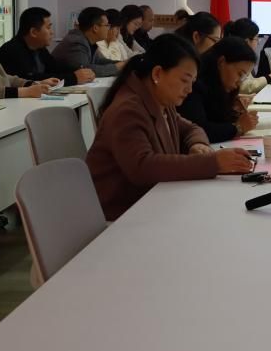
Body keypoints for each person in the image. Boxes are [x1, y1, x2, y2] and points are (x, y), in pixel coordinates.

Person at [86, 35, 254, 220]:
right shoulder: (127, 110)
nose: (189, 90)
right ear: (157, 74)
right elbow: (143, 167)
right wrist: (213, 163)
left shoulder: (160, 101)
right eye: (184, 80)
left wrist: (197, 144)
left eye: (192, 82)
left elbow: (191, 128)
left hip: (152, 203)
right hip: (121, 216)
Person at [178, 38, 262, 142]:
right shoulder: (195, 86)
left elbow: (217, 119)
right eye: (240, 74)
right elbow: (199, 130)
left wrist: (234, 111)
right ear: (221, 62)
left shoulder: (218, 86)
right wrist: (238, 128)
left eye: (244, 77)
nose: (239, 82)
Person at [0, 6, 94, 85]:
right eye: (48, 28)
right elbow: (30, 79)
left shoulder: (39, 48)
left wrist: (80, 73)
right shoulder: (12, 50)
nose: (52, 32)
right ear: (33, 32)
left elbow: (55, 70)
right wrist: (73, 78)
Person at [52, 7, 122, 78]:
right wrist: (116, 67)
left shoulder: (89, 41)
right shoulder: (76, 42)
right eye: (107, 25)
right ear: (95, 28)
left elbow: (99, 61)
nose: (108, 28)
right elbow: (86, 70)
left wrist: (121, 64)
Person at [224, 18, 271, 94]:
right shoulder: (235, 57)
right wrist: (270, 77)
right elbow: (244, 87)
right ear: (247, 41)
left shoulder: (241, 54)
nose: (258, 42)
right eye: (256, 38)